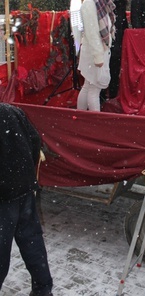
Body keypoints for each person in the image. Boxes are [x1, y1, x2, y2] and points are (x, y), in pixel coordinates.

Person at [0, 103, 53, 296]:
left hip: (5, 198)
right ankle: (43, 289)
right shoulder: (12, 111)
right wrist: (25, 173)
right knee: (32, 242)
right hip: (24, 191)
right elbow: (35, 140)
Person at [77, 0, 115, 111]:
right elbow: (92, 33)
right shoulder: (90, 3)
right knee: (94, 88)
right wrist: (98, 56)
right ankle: (95, 120)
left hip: (99, 50)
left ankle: (80, 116)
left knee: (88, 86)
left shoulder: (102, 1)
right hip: (94, 52)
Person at [108, 0, 129, 98]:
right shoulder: (103, 4)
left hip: (118, 42)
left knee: (115, 71)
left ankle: (112, 96)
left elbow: (123, 23)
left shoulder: (121, 4)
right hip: (106, 41)